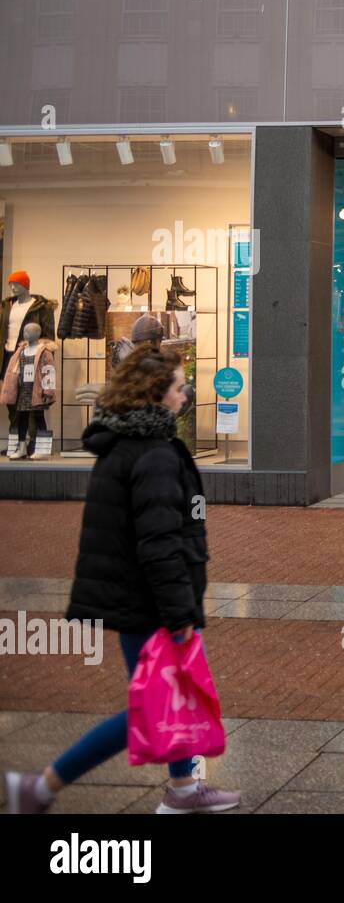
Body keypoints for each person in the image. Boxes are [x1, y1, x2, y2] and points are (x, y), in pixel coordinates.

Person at [5, 348, 240, 814]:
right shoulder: (154, 454)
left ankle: (183, 789)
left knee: (166, 694)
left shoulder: (124, 444)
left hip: (133, 595)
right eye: (179, 387)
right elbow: (159, 541)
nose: (185, 394)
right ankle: (41, 787)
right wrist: (179, 613)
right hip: (147, 602)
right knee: (150, 705)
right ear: (157, 394)